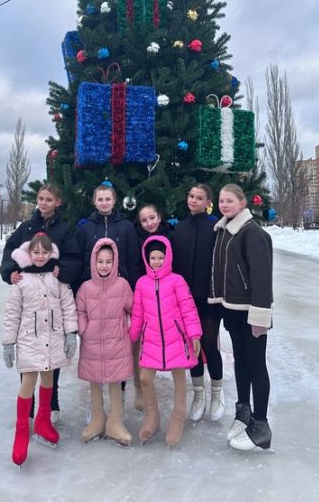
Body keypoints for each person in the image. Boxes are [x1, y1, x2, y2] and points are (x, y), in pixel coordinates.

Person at [0, 183, 82, 423]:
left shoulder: (65, 230)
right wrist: (10, 271)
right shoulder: (26, 228)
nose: (43, 203)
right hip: (30, 299)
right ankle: (30, 407)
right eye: (40, 198)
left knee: (51, 357)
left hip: (53, 296)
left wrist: (62, 271)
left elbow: (74, 257)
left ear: (58, 202)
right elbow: (10, 251)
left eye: (48, 199)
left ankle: (51, 403)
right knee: (30, 359)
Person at [2, 233, 78, 466]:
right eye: (36, 252)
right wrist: (8, 342)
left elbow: (68, 305)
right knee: (28, 382)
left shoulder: (58, 277)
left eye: (45, 252)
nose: (41, 256)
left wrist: (71, 333)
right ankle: (22, 430)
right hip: (29, 340)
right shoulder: (21, 280)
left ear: (51, 253)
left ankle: (44, 421)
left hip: (53, 338)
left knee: (49, 378)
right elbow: (12, 313)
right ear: (29, 254)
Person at [208, 184, 273, 451]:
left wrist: (260, 316)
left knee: (256, 364)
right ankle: (243, 412)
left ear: (242, 202)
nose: (225, 205)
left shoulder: (251, 233)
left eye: (230, 201)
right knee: (241, 363)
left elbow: (261, 279)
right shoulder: (224, 230)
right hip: (232, 310)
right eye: (222, 201)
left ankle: (261, 424)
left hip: (250, 313)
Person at [130, 237, 202, 447]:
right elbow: (137, 313)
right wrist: (132, 336)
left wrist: (194, 335)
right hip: (152, 339)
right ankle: (153, 416)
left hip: (176, 338)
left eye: (161, 257)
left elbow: (188, 309)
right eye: (153, 257)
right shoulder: (142, 283)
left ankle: (178, 417)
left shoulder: (177, 281)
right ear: (147, 258)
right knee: (144, 378)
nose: (157, 261)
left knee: (179, 377)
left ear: (167, 257)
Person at [171, 183, 224, 424]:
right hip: (185, 301)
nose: (193, 200)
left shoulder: (215, 228)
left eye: (199, 197)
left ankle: (216, 394)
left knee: (210, 345)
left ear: (207, 202)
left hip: (209, 300)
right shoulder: (179, 229)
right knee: (192, 349)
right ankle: (198, 396)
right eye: (191, 196)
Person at [76, 239, 133, 446]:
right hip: (91, 344)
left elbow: (133, 309)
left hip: (117, 344)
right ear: (94, 262)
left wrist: (128, 329)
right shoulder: (85, 288)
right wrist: (84, 329)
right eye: (100, 261)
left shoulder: (122, 285)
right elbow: (80, 311)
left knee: (115, 382)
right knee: (95, 383)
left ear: (114, 262)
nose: (104, 265)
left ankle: (115, 422)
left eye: (108, 261)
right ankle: (98, 420)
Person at [132, 203, 172, 411]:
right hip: (143, 294)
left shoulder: (170, 235)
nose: (149, 223)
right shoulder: (135, 238)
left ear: (159, 216)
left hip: (166, 295)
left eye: (152, 218)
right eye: (144, 220)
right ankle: (140, 387)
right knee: (139, 341)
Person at [74, 184, 141, 289]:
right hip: (91, 287)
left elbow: (133, 260)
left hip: (120, 286)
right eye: (100, 199)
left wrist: (133, 286)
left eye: (108, 199)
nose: (104, 203)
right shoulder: (84, 229)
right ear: (94, 202)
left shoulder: (127, 227)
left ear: (114, 201)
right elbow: (77, 259)